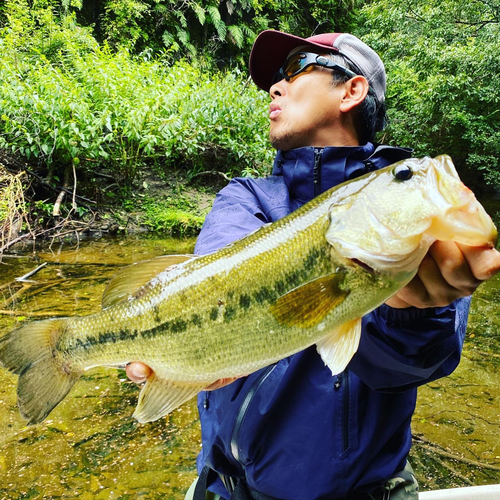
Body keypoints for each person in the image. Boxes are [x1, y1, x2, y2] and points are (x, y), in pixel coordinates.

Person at [126, 30, 500, 499]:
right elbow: (215, 290)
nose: (274, 87)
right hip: (231, 488)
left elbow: (417, 364)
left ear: (352, 90)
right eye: (273, 80)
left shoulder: (409, 215)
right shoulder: (245, 198)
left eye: (296, 67)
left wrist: (415, 312)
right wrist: (176, 355)